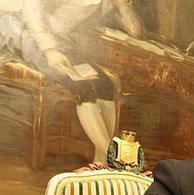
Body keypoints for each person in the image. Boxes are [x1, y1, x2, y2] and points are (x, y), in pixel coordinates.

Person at [0, 0, 144, 163]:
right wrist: (49, 50)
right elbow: (32, 8)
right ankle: (112, 157)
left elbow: (135, 32)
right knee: (83, 87)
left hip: (60, 40)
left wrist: (123, 6)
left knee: (106, 86)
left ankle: (101, 161)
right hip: (21, 28)